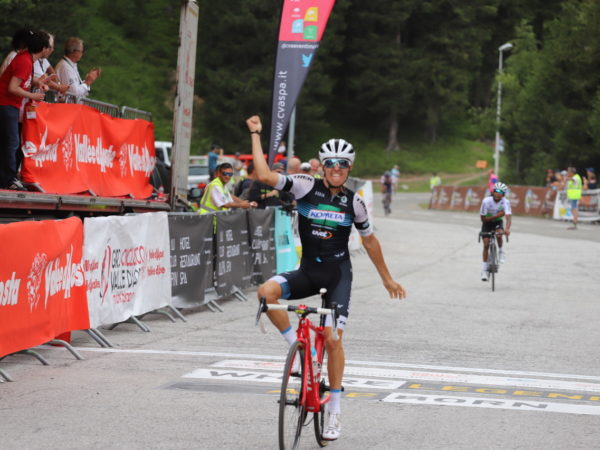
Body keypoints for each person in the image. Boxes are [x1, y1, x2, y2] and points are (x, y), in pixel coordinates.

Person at [246, 115, 406, 442]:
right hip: (307, 271)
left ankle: (334, 408)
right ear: (322, 166)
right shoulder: (305, 185)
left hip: (337, 276)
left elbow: (370, 241)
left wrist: (387, 279)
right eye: (331, 163)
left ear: (350, 168)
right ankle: (299, 352)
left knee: (333, 339)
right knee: (266, 293)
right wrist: (256, 135)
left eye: (343, 164)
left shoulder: (354, 202)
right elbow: (263, 175)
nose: (336, 168)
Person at [0, 30, 48, 190]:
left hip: (9, 105)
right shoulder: (25, 61)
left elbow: (21, 78)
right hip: (6, 104)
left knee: (8, 142)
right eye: (49, 47)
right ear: (43, 49)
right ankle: (8, 180)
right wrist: (32, 95)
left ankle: (6, 178)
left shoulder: (26, 59)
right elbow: (13, 87)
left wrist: (36, 82)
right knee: (12, 142)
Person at [479, 182, 512, 281]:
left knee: (499, 234)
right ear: (493, 191)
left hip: (497, 222)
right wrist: (497, 215)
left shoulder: (506, 202)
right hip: (487, 223)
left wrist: (507, 229)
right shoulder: (486, 201)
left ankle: (501, 251)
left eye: (501, 192)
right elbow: (483, 219)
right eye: (497, 191)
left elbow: (508, 218)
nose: (498, 193)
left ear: (504, 194)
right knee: (486, 244)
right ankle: (484, 270)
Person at [55, 37, 101, 101]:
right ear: (74, 51)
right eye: (81, 51)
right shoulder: (65, 67)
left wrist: (88, 80)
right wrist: (87, 82)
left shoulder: (70, 65)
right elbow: (74, 94)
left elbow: (76, 89)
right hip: (68, 106)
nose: (82, 53)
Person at [33, 32, 69, 96]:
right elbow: (44, 80)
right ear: (44, 48)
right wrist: (59, 87)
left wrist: (57, 84)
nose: (52, 50)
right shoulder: (34, 60)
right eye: (50, 47)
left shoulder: (43, 59)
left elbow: (53, 75)